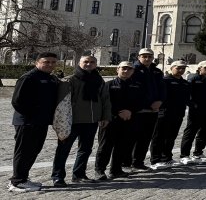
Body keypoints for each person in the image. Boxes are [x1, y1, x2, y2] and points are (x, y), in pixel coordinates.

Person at [51, 55, 110, 186]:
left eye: (92, 62)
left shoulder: (99, 80)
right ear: (79, 63)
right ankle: (57, 176)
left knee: (85, 149)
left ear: (96, 64)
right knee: (63, 149)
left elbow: (105, 99)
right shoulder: (69, 80)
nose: (89, 64)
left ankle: (79, 174)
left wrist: (105, 116)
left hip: (91, 121)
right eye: (86, 62)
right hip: (71, 121)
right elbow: (62, 103)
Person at [9, 53, 60, 193]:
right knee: (24, 151)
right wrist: (31, 116)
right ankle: (17, 182)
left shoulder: (51, 79)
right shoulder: (28, 78)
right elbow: (17, 101)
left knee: (33, 151)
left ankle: (23, 178)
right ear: (37, 62)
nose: (50, 64)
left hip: (41, 122)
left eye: (53, 62)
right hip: (27, 122)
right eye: (46, 62)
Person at [95, 62, 141, 181]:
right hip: (111, 120)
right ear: (118, 69)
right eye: (124, 68)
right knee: (105, 147)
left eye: (129, 69)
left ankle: (116, 170)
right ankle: (99, 170)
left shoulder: (137, 86)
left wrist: (130, 111)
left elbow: (140, 102)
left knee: (123, 146)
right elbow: (104, 102)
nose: (126, 71)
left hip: (129, 120)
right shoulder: (108, 85)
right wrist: (118, 112)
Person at [149, 60, 191, 169]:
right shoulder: (165, 81)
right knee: (159, 137)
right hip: (164, 113)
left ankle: (167, 157)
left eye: (183, 68)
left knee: (171, 137)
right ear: (171, 68)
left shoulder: (185, 83)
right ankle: (155, 160)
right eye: (178, 68)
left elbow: (187, 98)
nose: (181, 70)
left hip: (178, 113)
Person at [129, 48, 165, 172]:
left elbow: (162, 89)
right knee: (132, 138)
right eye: (144, 56)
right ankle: (127, 162)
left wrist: (160, 101)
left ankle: (138, 162)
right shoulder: (133, 70)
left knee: (145, 138)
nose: (147, 58)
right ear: (139, 57)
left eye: (149, 56)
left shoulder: (157, 72)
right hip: (138, 110)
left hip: (153, 110)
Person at [179, 61, 206, 164]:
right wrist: (192, 105)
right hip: (196, 110)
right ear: (200, 68)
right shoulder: (193, 79)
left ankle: (198, 153)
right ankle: (184, 155)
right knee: (190, 132)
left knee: (204, 131)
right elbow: (187, 94)